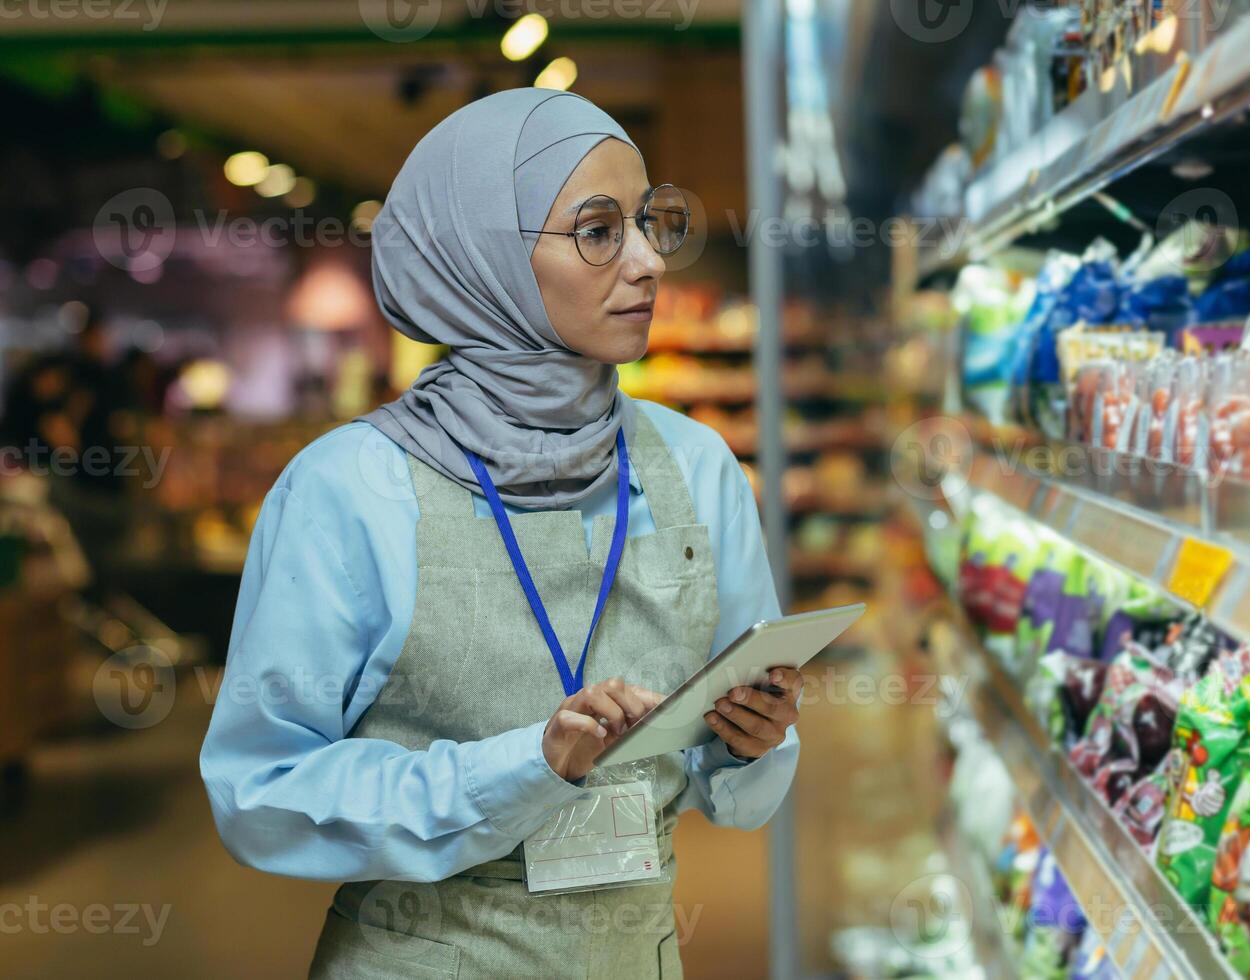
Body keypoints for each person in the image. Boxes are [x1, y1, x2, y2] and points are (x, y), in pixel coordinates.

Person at [198, 89, 800, 978]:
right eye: (598, 231)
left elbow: (737, 779)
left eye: (648, 221)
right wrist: (526, 764)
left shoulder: (695, 464)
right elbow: (262, 795)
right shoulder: (349, 490)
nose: (646, 262)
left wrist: (753, 739)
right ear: (482, 257)